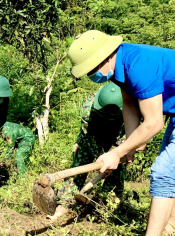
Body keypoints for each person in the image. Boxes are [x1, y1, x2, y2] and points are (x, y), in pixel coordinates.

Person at [68, 30, 175, 236]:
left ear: (104, 58)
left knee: (164, 172)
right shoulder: (119, 65)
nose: (90, 76)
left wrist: (116, 152)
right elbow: (129, 104)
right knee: (171, 172)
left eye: (91, 70)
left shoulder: (139, 66)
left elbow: (153, 124)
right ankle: (171, 229)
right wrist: (131, 143)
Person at [50, 82, 128, 220]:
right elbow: (88, 133)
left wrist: (115, 156)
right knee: (78, 167)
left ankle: (105, 206)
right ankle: (64, 204)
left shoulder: (132, 106)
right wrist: (100, 158)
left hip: (118, 139)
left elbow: (130, 136)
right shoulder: (89, 108)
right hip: (92, 136)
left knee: (117, 171)